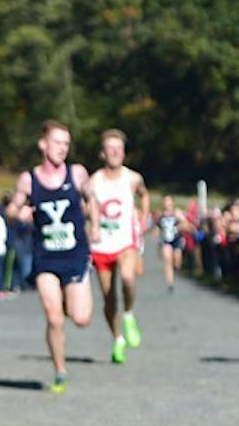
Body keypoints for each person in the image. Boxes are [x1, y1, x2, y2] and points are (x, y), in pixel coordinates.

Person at [11, 120, 96, 394]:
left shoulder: (78, 173)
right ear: (43, 144)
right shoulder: (28, 179)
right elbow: (11, 210)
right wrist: (19, 212)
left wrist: (93, 223)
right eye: (57, 142)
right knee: (54, 317)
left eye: (66, 144)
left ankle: (70, 299)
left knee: (81, 318)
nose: (62, 149)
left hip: (75, 255)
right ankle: (60, 370)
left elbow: (91, 198)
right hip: (45, 256)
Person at [87, 129, 149, 364]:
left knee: (128, 277)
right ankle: (117, 339)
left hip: (126, 240)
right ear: (103, 153)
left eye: (119, 149)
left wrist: (143, 218)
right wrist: (92, 225)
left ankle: (129, 315)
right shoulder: (94, 181)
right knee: (108, 297)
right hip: (102, 244)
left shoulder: (132, 178)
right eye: (111, 149)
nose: (115, 152)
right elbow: (89, 205)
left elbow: (144, 194)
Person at [154, 195, 191, 292]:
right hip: (165, 240)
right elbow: (158, 227)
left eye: (169, 201)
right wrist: (157, 236)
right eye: (165, 201)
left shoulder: (177, 213)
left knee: (177, 258)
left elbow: (186, 224)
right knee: (167, 260)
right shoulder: (160, 214)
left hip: (176, 238)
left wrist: (181, 226)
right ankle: (170, 283)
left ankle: (177, 268)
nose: (167, 203)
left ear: (172, 203)